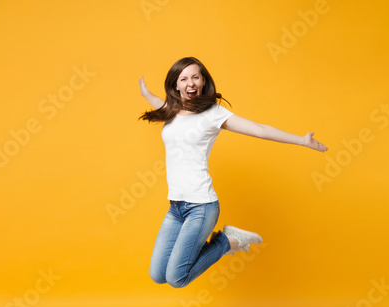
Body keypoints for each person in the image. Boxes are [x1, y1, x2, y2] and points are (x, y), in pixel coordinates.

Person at [139, 57, 328, 288]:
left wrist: (301, 140)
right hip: (176, 207)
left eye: (196, 77)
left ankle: (228, 241)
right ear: (176, 85)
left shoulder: (213, 113)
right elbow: (159, 102)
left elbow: (259, 130)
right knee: (158, 275)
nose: (191, 83)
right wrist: (146, 93)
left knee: (177, 279)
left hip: (201, 207)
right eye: (184, 78)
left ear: (203, 81)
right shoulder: (172, 110)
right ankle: (227, 241)